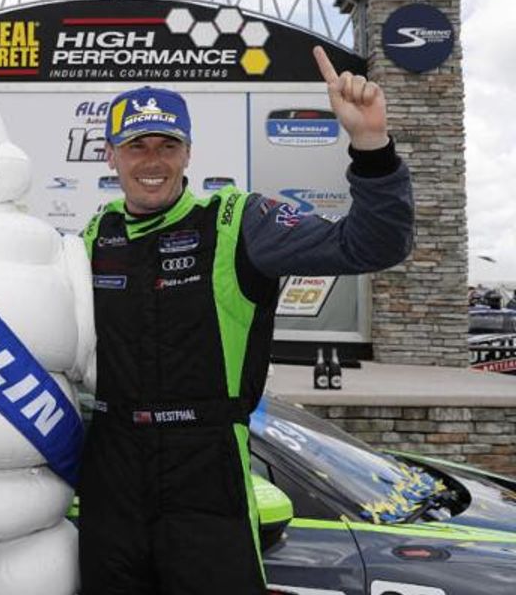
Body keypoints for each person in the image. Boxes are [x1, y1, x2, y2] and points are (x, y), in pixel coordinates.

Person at [79, 49, 414, 595]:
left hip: (204, 466)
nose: (153, 160)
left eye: (168, 145)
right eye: (136, 145)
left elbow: (372, 243)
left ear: (188, 153)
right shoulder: (94, 237)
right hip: (110, 467)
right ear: (111, 157)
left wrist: (372, 146)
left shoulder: (239, 221)